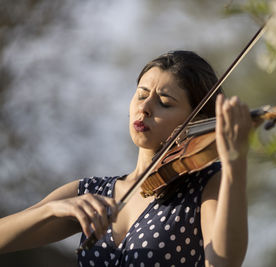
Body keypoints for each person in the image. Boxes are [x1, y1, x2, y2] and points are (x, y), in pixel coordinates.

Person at [0, 50, 252, 267]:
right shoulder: (93, 191)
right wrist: (50, 210)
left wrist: (235, 164)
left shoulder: (206, 185)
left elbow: (223, 262)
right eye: (142, 95)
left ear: (196, 120)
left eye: (164, 102)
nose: (145, 108)